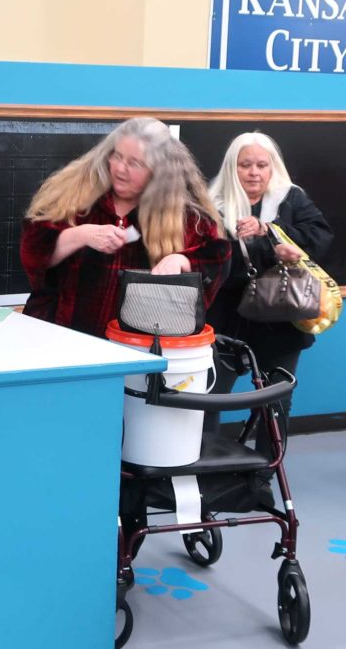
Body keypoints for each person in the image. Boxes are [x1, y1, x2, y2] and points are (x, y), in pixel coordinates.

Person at [20, 116, 231, 338]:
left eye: (135, 163)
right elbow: (33, 251)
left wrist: (183, 260)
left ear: (159, 171)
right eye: (117, 156)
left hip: (137, 349)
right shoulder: (74, 200)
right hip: (58, 341)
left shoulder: (186, 219)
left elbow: (219, 257)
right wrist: (80, 235)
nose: (120, 169)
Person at [206, 132, 333, 430]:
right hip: (227, 317)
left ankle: (263, 473)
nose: (253, 172)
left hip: (281, 316)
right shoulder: (211, 203)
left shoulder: (291, 197)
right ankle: (204, 471)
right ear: (231, 168)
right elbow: (214, 259)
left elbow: (320, 236)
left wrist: (270, 231)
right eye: (245, 164)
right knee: (211, 396)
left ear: (272, 167)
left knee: (276, 400)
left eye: (262, 165)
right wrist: (269, 249)